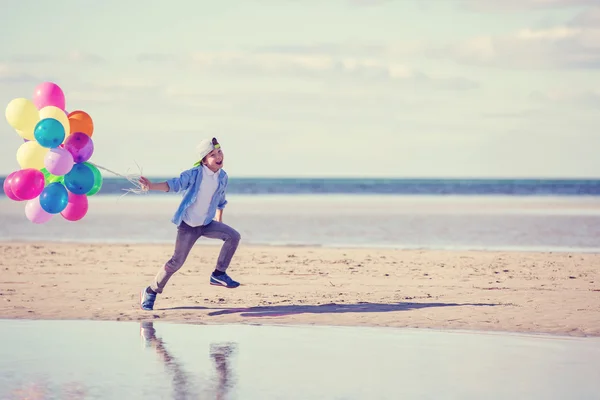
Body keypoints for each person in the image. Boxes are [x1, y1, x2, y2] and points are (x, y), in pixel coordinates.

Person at [138, 137, 241, 311]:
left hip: (207, 224)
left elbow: (221, 200)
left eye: (220, 151)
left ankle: (218, 274)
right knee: (176, 262)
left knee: (233, 236)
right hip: (188, 226)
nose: (218, 156)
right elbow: (174, 185)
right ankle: (151, 291)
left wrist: (219, 220)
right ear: (204, 160)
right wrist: (152, 186)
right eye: (212, 154)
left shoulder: (223, 177)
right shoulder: (194, 174)